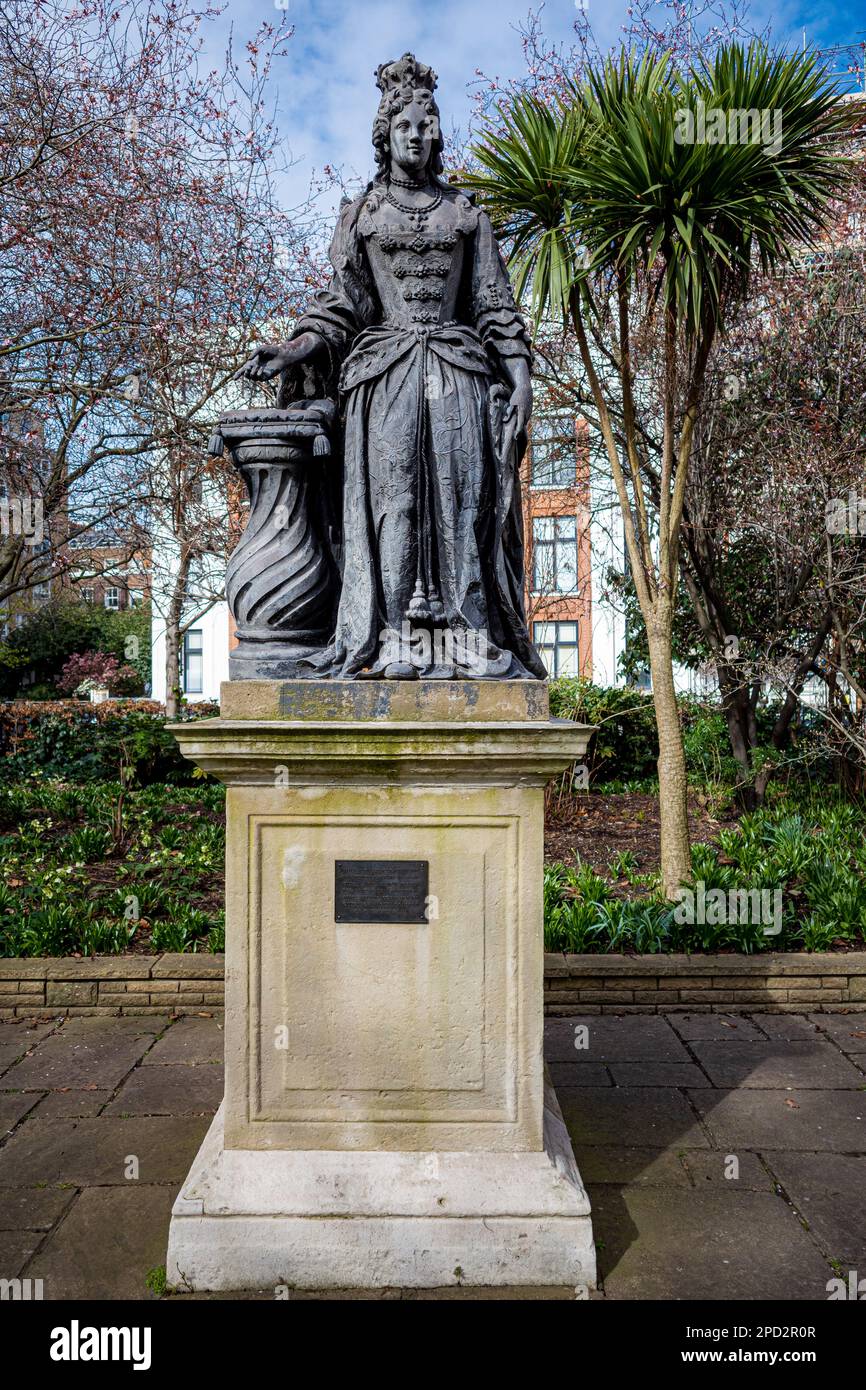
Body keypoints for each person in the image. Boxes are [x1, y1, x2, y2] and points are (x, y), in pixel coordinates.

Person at [236, 53, 545, 680]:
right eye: (406, 123)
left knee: (464, 505)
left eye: (428, 123)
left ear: (437, 133)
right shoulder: (363, 214)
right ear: (386, 133)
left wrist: (520, 377)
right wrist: (294, 349)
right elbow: (344, 304)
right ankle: (395, 632)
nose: (417, 132)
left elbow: (494, 304)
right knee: (394, 506)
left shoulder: (468, 215)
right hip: (386, 376)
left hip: (458, 372)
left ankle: (467, 634)